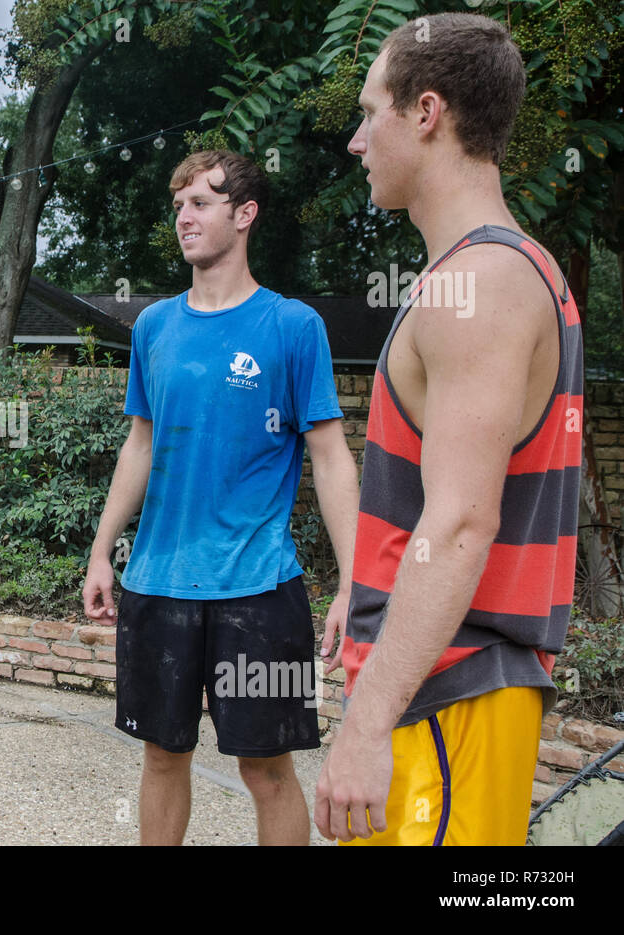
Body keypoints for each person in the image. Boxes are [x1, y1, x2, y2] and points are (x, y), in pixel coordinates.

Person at [315, 13, 583, 846]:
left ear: (426, 113)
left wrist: (363, 725)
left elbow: (463, 522)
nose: (358, 141)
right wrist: (362, 592)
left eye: (370, 113)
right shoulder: (487, 274)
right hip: (442, 693)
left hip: (448, 697)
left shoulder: (485, 283)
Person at [83, 150, 361, 846]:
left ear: (245, 215)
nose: (184, 217)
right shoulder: (154, 328)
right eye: (178, 205)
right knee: (160, 756)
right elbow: (139, 446)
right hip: (158, 581)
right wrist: (100, 549)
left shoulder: (292, 327)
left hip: (259, 588)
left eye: (201, 202)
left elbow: (330, 457)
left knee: (267, 770)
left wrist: (357, 582)